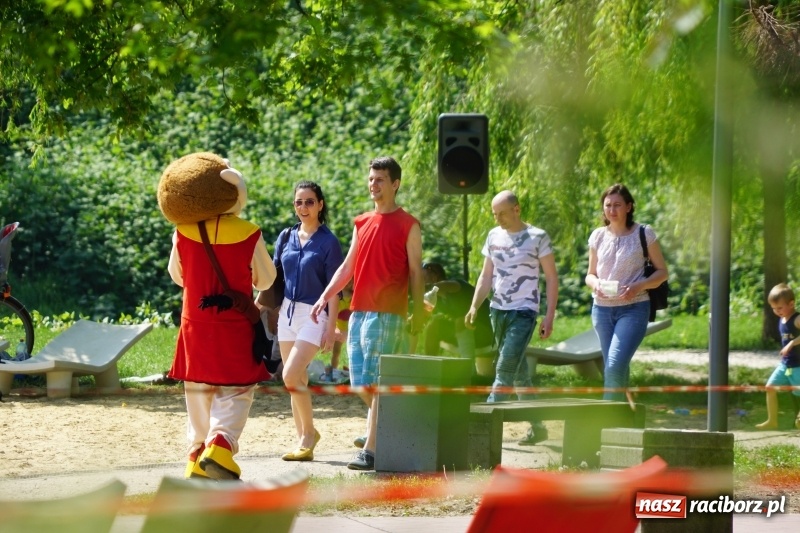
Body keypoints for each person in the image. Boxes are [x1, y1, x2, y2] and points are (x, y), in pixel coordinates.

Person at [160, 154, 276, 481]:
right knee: (237, 389)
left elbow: (177, 275)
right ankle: (221, 445)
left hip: (194, 325)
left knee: (197, 389)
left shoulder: (183, 231)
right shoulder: (249, 232)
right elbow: (265, 281)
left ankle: (196, 454)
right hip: (235, 326)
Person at [310, 156, 425, 471]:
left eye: (380, 180)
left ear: (395, 184)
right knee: (361, 384)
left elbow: (416, 272)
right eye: (371, 179)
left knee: (377, 383)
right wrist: (325, 296)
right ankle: (394, 428)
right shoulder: (362, 222)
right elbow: (347, 266)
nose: (373, 185)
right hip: (359, 313)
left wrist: (418, 314)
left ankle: (372, 450)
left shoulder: (409, 224)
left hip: (388, 314)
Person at [466, 190, 559, 445]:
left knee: (504, 367)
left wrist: (549, 317)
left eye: (503, 214)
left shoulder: (537, 237)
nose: (498, 220)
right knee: (520, 375)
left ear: (517, 209)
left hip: (524, 311)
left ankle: (481, 428)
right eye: (495, 215)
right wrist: (475, 306)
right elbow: (486, 275)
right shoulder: (493, 236)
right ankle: (538, 426)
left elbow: (551, 277)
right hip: (498, 310)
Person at [271, 181, 343, 461]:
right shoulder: (285, 236)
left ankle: (309, 435)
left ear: (320, 205)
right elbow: (273, 276)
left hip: (315, 314)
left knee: (289, 375)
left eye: (310, 202)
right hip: (287, 314)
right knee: (295, 379)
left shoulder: (329, 242)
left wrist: (330, 325)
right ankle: (303, 438)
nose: (303, 207)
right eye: (299, 202)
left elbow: (334, 288)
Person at [585, 183, 668, 401]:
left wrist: (639, 285)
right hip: (602, 311)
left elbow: (662, 272)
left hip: (634, 309)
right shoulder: (597, 236)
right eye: (608, 205)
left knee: (612, 365)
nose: (612, 210)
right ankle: (623, 421)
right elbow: (589, 274)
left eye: (618, 205)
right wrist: (596, 285)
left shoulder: (644, 233)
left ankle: (605, 421)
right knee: (617, 367)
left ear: (629, 207)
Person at [420, 262, 493, 362]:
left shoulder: (455, 284)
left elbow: (444, 286)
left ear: (434, 276)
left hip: (489, 333)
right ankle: (430, 366)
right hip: (469, 335)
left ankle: (468, 369)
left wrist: (424, 288)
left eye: (423, 277)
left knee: (461, 320)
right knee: (434, 326)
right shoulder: (438, 301)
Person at [756, 283, 800, 430]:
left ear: (791, 303)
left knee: (797, 393)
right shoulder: (782, 320)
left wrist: (792, 343)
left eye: (780, 308)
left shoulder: (797, 319)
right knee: (770, 387)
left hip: (798, 365)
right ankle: (772, 420)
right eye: (773, 308)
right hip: (785, 364)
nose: (776, 311)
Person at [322, 278, 353, 382]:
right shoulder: (337, 297)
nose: (348, 283)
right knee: (336, 352)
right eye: (347, 280)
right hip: (339, 329)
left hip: (350, 329)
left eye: (351, 281)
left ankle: (351, 370)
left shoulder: (353, 296)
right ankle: (333, 369)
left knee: (351, 352)